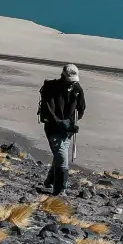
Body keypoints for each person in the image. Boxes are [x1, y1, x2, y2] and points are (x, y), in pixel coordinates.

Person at [36, 63, 86, 194]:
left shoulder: (77, 89)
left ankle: (49, 182)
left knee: (59, 156)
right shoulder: (51, 88)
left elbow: (81, 108)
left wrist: (71, 123)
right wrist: (61, 123)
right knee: (62, 159)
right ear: (62, 76)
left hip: (67, 130)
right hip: (53, 129)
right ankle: (59, 191)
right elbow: (49, 110)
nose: (71, 83)